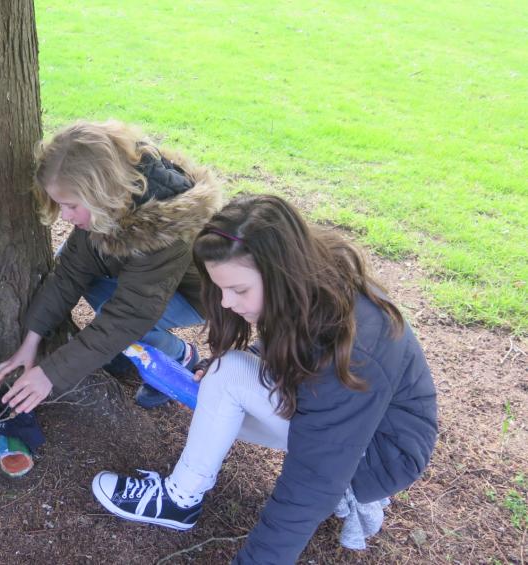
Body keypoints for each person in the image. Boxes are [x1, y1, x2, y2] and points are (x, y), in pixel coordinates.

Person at [92, 194, 438, 563]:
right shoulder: (308, 284)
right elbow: (289, 346)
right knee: (220, 381)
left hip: (378, 453)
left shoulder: (353, 349)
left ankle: (179, 499)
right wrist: (251, 360)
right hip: (350, 425)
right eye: (221, 288)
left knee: (227, 378)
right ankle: (180, 497)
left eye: (238, 290)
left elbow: (311, 482)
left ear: (281, 271)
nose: (225, 303)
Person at [0, 120, 223, 411]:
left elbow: (128, 316)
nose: (64, 216)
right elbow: (70, 273)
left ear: (99, 193)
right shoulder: (110, 203)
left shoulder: (167, 230)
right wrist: (31, 339)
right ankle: (120, 349)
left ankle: (179, 356)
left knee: (114, 318)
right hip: (141, 276)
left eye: (71, 206)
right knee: (74, 259)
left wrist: (50, 374)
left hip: (197, 297)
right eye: (59, 205)